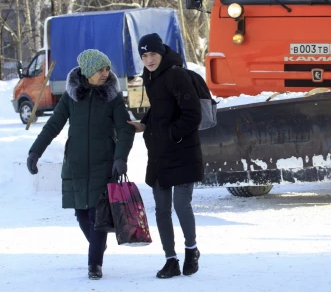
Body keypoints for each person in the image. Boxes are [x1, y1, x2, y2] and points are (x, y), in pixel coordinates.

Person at [26, 49, 134, 280]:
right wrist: (35, 152)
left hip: (103, 163)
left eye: (107, 68)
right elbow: (53, 125)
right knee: (81, 214)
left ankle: (94, 263)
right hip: (75, 163)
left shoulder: (112, 96)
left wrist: (120, 158)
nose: (106, 73)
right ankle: (98, 244)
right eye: (100, 69)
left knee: (98, 216)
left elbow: (125, 129)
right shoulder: (71, 96)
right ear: (87, 71)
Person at [127, 33, 203, 279]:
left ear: (162, 53)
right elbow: (159, 108)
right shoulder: (151, 76)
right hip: (159, 153)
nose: (149, 59)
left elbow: (192, 115)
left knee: (181, 204)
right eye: (144, 55)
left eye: (153, 54)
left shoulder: (177, 74)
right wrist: (144, 124)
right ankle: (170, 259)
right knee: (161, 209)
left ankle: (191, 250)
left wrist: (169, 134)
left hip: (181, 151)